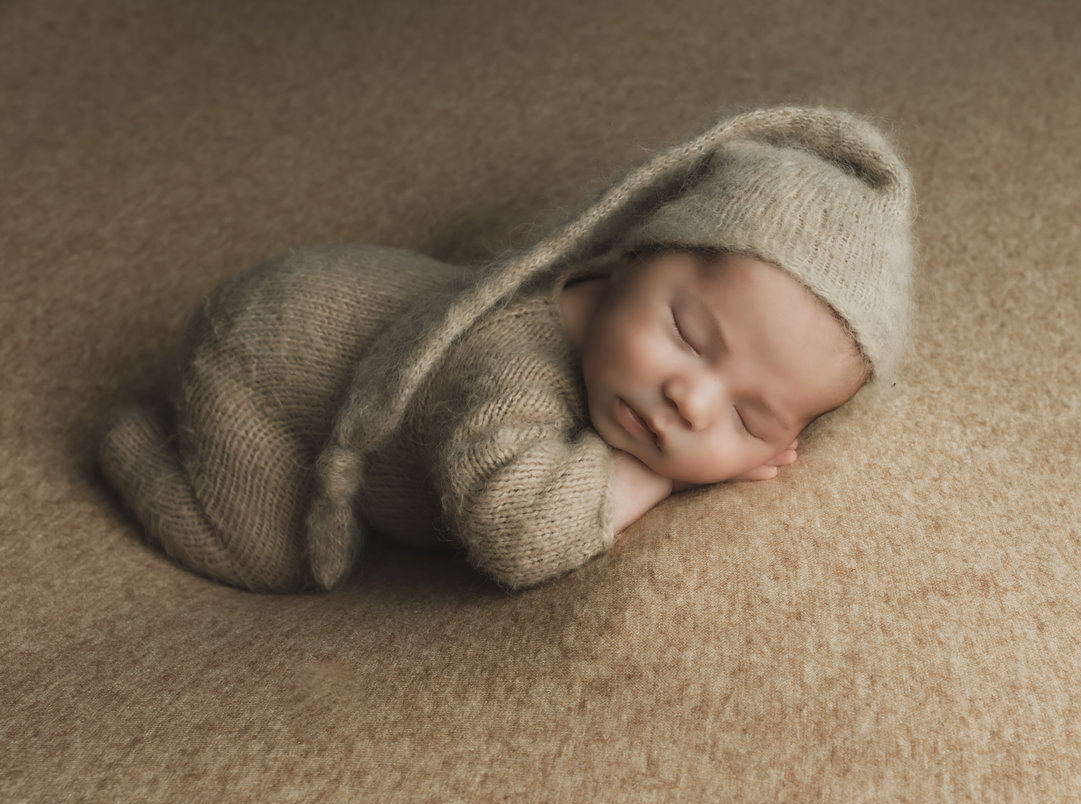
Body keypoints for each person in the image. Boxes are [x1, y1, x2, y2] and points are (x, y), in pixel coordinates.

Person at [99, 106, 914, 593]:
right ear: (629, 258)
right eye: (688, 335)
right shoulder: (515, 366)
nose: (690, 401)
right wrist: (652, 474)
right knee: (272, 558)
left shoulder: (624, 337)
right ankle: (134, 450)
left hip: (332, 297)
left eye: (749, 417)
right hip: (255, 356)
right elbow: (516, 531)